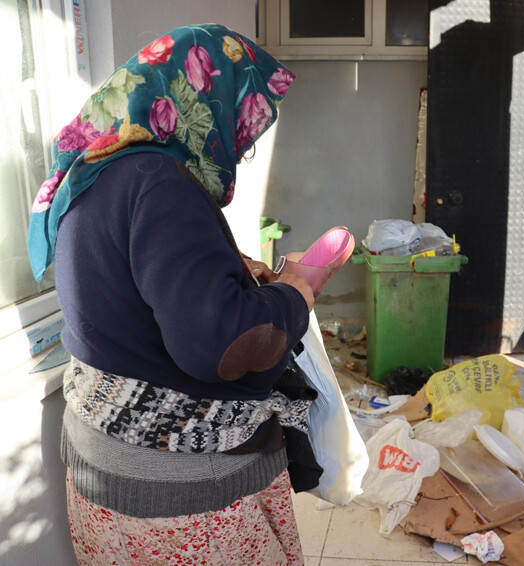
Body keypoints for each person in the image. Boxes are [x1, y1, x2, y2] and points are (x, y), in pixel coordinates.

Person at [28, 24, 322, 566]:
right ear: (201, 98)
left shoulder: (95, 169)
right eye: (243, 121)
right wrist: (295, 295)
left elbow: (125, 285)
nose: (241, 142)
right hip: (180, 492)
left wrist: (231, 273)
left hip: (104, 465)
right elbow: (218, 344)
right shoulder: (161, 182)